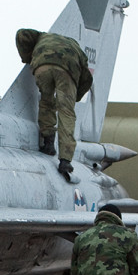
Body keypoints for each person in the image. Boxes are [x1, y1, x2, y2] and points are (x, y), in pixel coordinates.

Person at [15, 28, 93, 180]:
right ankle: (65, 160)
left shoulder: (41, 36)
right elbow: (87, 78)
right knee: (66, 112)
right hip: (67, 68)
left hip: (42, 64)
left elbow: (21, 33)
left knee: (46, 102)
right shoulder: (75, 48)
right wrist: (75, 97)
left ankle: (48, 143)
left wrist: (26, 58)